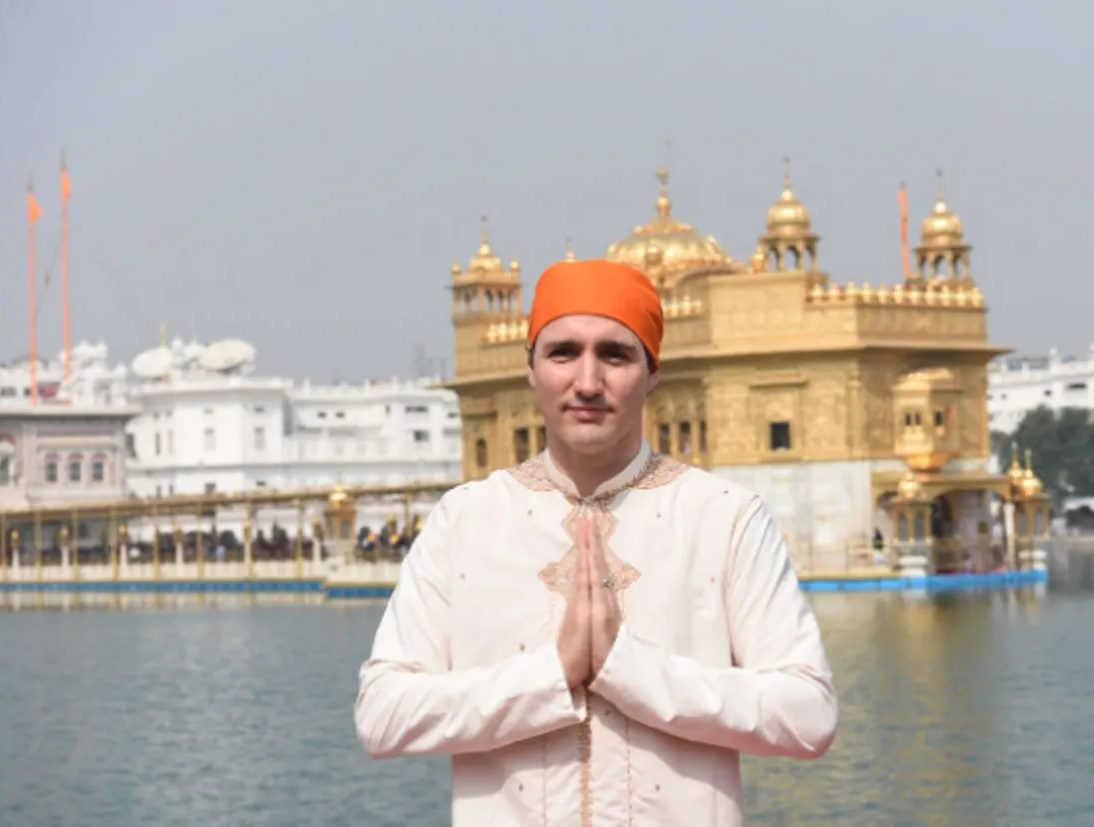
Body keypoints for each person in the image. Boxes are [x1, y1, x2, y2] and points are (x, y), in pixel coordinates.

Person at [354, 258, 837, 825]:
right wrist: (550, 675)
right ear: (531, 368)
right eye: (563, 353)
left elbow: (808, 716)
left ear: (652, 371)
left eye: (615, 354)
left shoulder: (723, 518)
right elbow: (382, 716)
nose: (588, 382)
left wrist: (627, 668)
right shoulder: (466, 520)